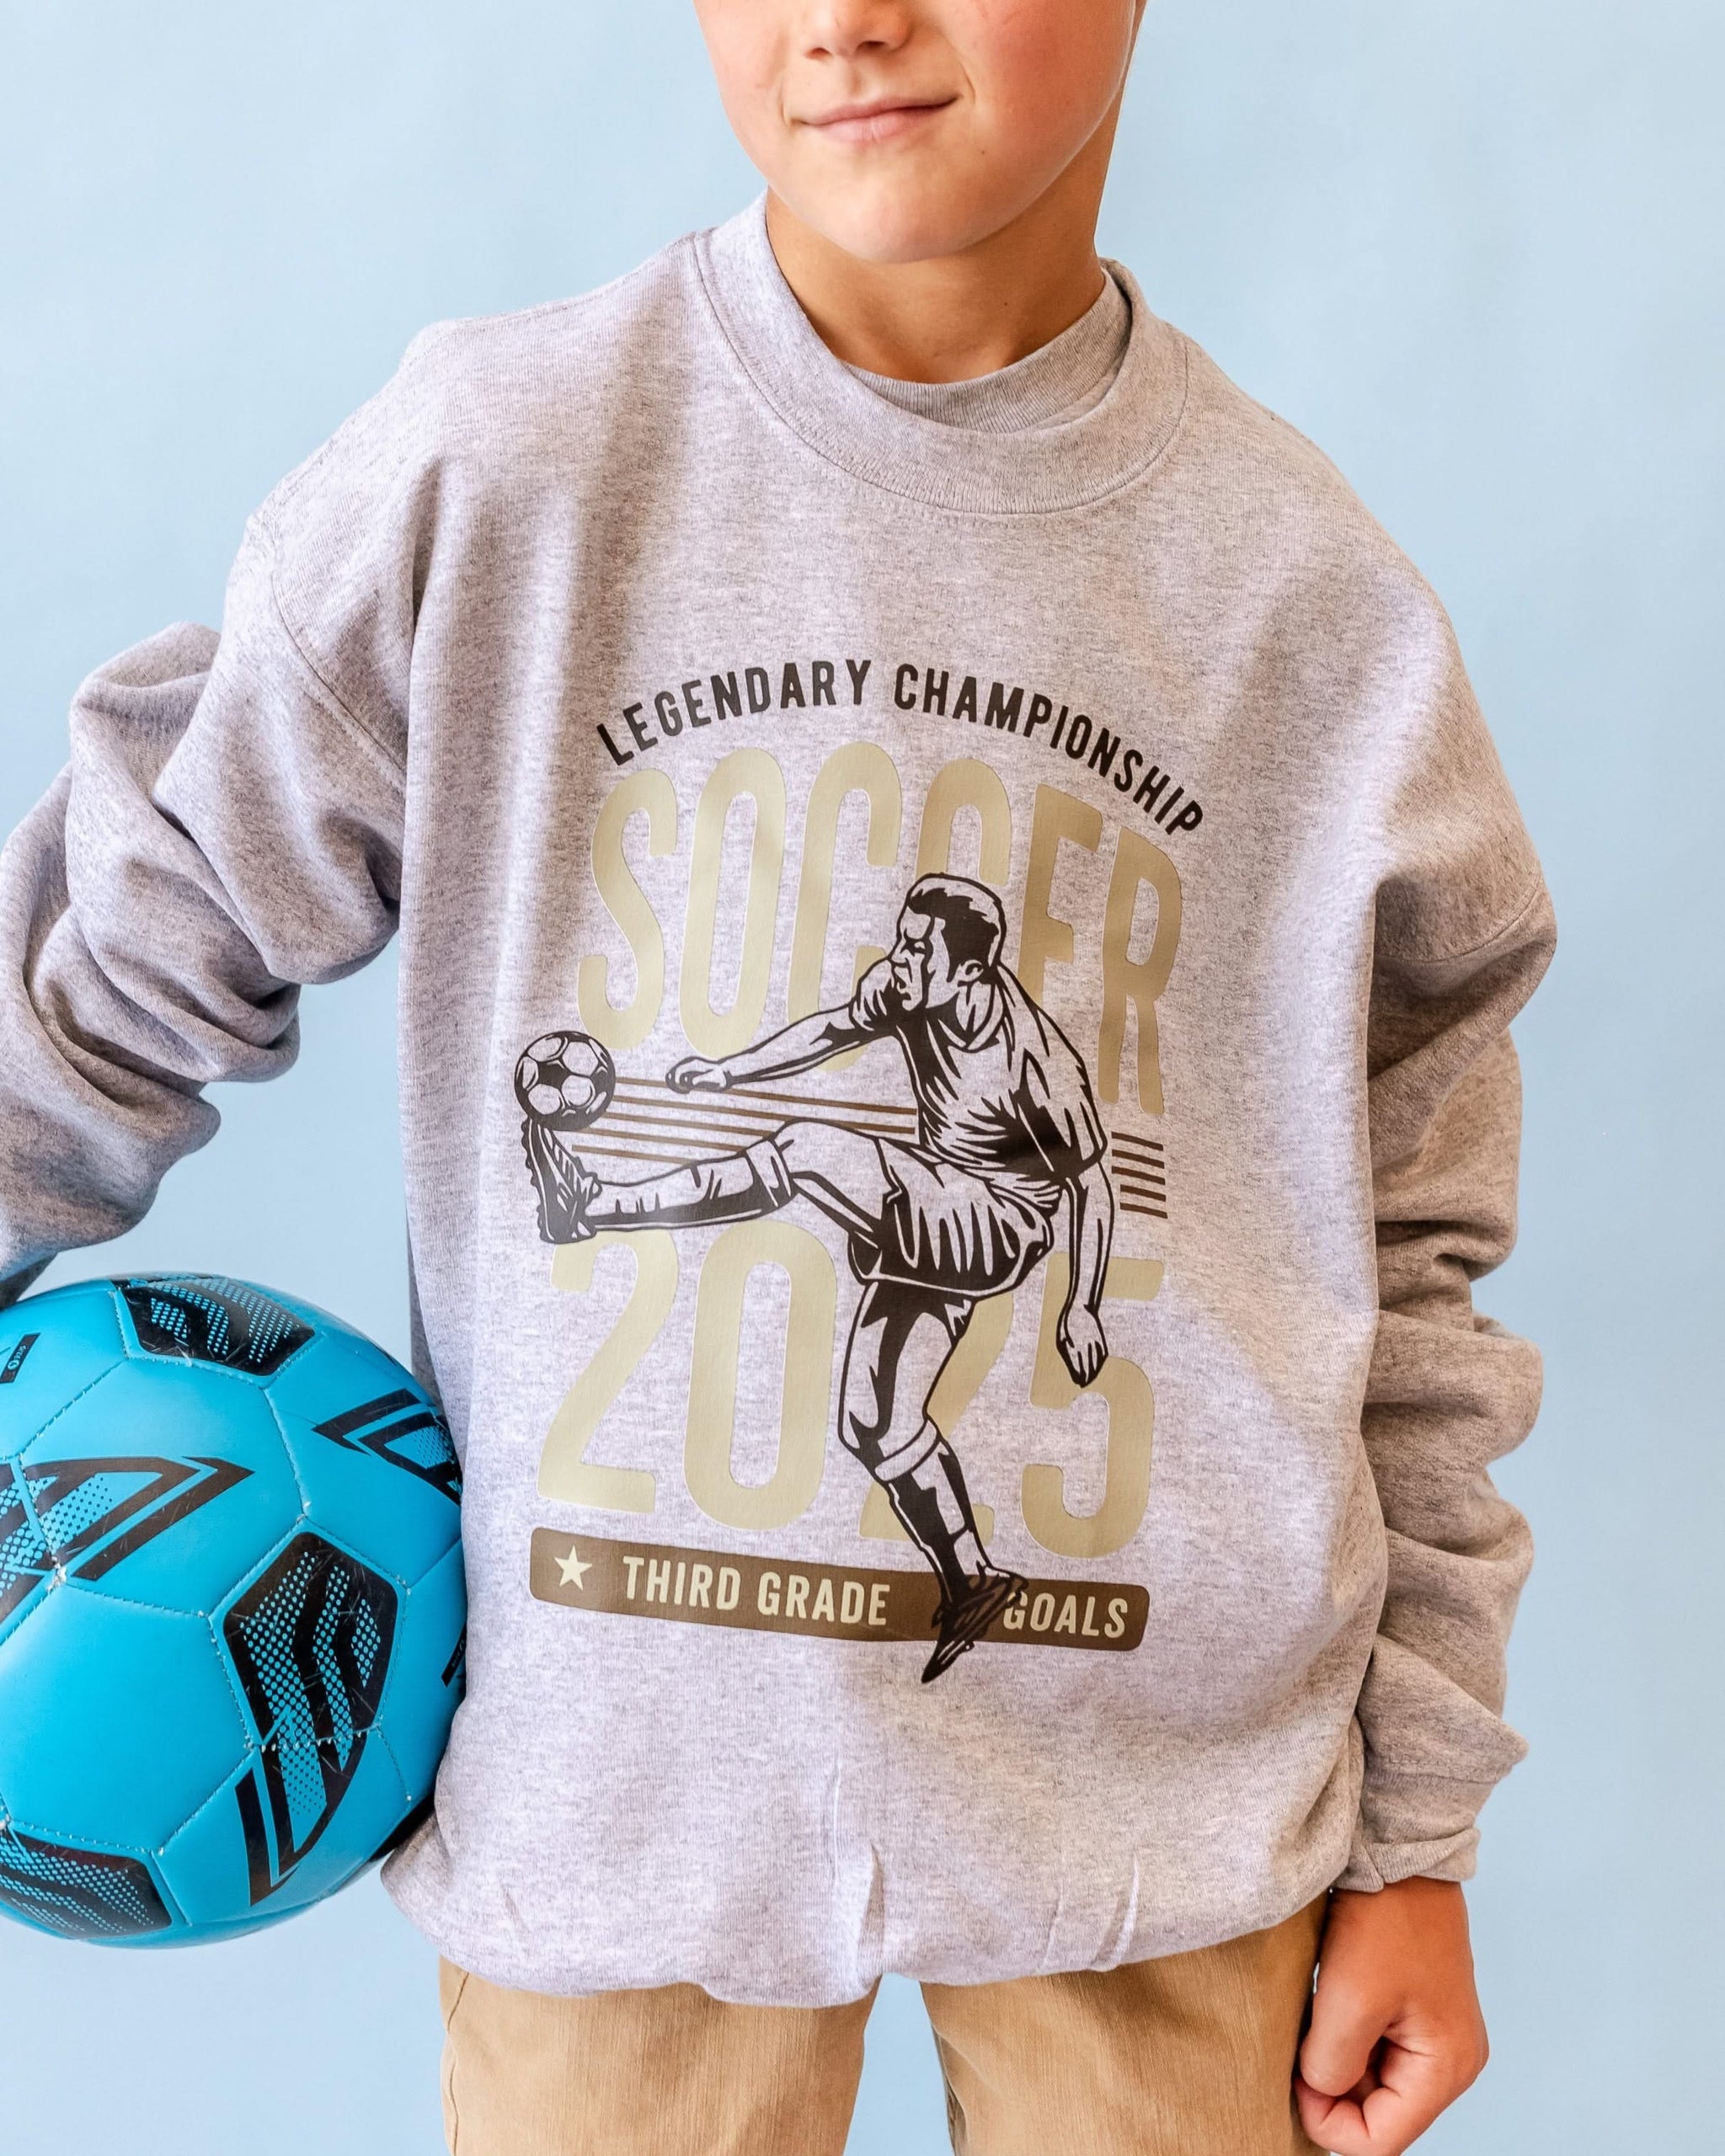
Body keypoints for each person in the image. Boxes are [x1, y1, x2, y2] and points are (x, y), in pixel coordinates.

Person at [0, 2, 1555, 2152]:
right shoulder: (502, 463)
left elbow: (1403, 1257)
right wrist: (665, 1095)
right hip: (614, 1799)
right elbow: (143, 929)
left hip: (1169, 1805)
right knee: (864, 1373)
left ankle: (677, 1230)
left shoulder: (1313, 610)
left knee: (834, 1165)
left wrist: (1416, 1827)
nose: (845, 19)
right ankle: (934, 1526)